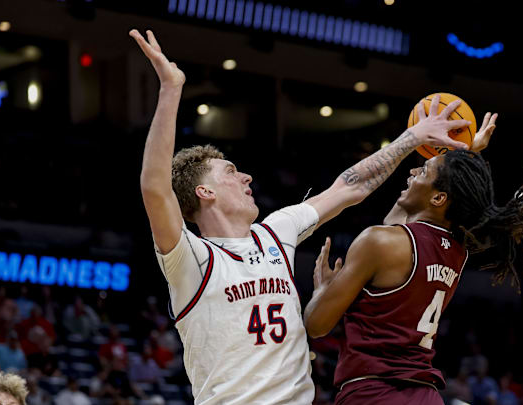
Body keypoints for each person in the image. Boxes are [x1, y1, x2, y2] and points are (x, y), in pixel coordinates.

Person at [129, 28, 491, 405]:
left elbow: (350, 187)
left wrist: (413, 137)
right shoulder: (191, 260)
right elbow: (156, 188)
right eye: (231, 172)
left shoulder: (275, 232)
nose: (246, 176)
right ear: (205, 192)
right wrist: (171, 90)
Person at [304, 147, 523, 404]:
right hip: (426, 395)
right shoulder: (458, 254)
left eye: (423, 171)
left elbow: (316, 325)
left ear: (439, 198)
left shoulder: (379, 242)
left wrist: (322, 290)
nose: (413, 172)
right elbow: (399, 218)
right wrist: (464, 155)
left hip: (373, 393)